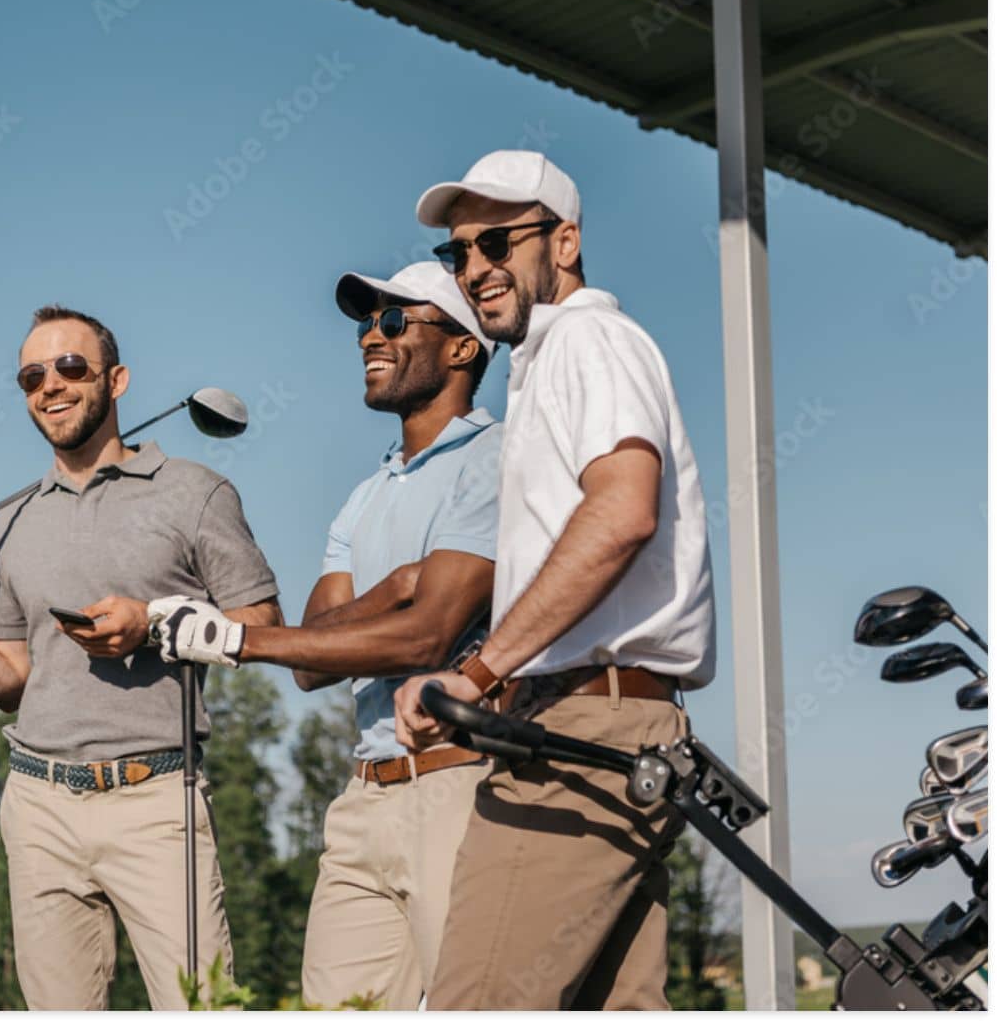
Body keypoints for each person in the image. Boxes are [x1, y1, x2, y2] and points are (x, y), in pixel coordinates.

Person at [0, 304, 281, 1010]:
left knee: (202, 1008)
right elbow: (11, 679)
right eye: (32, 376)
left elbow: (261, 625)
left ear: (116, 380)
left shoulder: (196, 492)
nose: (50, 385)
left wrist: (153, 623)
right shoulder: (13, 519)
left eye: (70, 367)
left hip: (156, 797)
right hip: (38, 804)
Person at [393, 151, 716, 1010]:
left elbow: (622, 513)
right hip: (612, 725)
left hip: (582, 727)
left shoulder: (587, 339)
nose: (475, 269)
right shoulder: (550, 359)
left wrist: (476, 673)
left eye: (497, 242)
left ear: (564, 242)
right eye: (459, 253)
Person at [146, 262, 502, 1009]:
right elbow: (313, 659)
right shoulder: (364, 496)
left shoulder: (497, 459)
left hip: (462, 786)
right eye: (367, 323)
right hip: (364, 798)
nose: (371, 336)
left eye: (395, 320)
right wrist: (395, 587)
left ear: (464, 347)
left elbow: (426, 637)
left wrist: (235, 639)